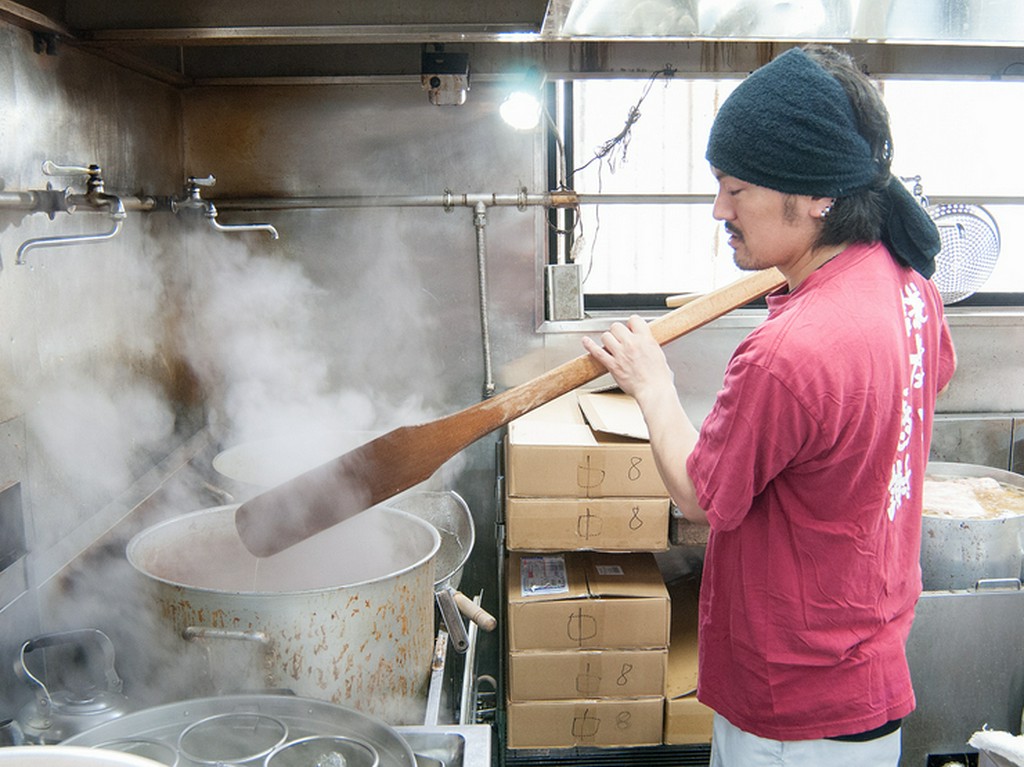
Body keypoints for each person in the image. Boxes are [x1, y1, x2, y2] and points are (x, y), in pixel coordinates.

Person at [582, 45, 957, 767]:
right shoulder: (908, 283)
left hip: (793, 717)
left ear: (817, 195)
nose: (719, 208)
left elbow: (701, 497)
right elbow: (934, 373)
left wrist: (651, 383)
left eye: (736, 189)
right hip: (865, 681)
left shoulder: (790, 353)